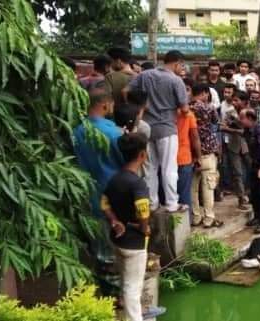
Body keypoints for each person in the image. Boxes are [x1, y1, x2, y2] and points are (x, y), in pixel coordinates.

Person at [101, 133, 163, 321]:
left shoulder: (115, 179)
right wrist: (144, 228)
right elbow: (143, 211)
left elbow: (104, 203)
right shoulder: (137, 183)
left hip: (117, 238)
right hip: (134, 243)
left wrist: (114, 221)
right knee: (132, 287)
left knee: (124, 280)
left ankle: (128, 308)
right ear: (142, 155)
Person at [73, 87, 122, 297]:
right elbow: (124, 162)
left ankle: (106, 292)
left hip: (87, 193)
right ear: (105, 105)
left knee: (99, 248)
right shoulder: (113, 132)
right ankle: (116, 296)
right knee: (114, 249)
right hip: (112, 194)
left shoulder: (76, 131)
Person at [126, 50, 188, 213]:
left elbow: (125, 92)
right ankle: (172, 203)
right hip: (167, 128)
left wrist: (136, 109)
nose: (182, 68)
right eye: (181, 65)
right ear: (176, 63)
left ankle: (152, 203)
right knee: (169, 168)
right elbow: (185, 109)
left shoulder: (144, 75)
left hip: (146, 127)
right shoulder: (176, 80)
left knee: (149, 168)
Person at [190, 84, 222, 227]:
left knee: (193, 188)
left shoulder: (186, 108)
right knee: (208, 187)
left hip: (191, 153)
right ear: (204, 93)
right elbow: (216, 122)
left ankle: (196, 216)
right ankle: (209, 218)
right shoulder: (209, 108)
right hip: (208, 152)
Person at [220, 90, 252, 211]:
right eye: (233, 100)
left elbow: (246, 131)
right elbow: (223, 126)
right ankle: (241, 198)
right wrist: (226, 127)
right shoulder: (229, 112)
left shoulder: (250, 113)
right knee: (237, 173)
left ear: (244, 102)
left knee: (251, 170)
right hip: (233, 146)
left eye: (236, 100)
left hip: (248, 146)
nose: (233, 102)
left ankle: (251, 194)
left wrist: (230, 129)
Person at [176, 98, 201, 213]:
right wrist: (199, 157)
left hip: (167, 159)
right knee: (185, 192)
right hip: (184, 157)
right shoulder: (189, 115)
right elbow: (195, 138)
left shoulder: (166, 116)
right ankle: (187, 222)